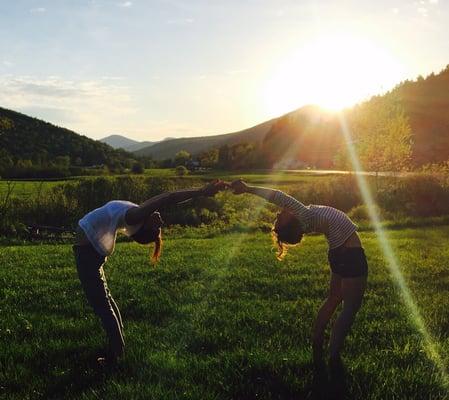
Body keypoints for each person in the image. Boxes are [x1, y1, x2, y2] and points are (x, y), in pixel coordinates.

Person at [73, 180, 226, 365]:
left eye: (156, 226)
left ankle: (116, 355)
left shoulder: (134, 216)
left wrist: (201, 191)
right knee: (106, 301)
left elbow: (168, 198)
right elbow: (167, 200)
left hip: (87, 254)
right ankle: (118, 348)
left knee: (102, 305)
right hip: (89, 250)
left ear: (142, 227)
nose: (160, 220)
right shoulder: (135, 214)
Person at [229, 179, 367, 371]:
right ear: (291, 221)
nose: (278, 213)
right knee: (350, 307)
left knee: (334, 299)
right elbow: (276, 196)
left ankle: (317, 344)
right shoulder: (303, 214)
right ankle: (334, 357)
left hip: (337, 252)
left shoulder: (303, 217)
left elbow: (278, 199)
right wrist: (248, 189)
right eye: (279, 219)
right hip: (350, 253)